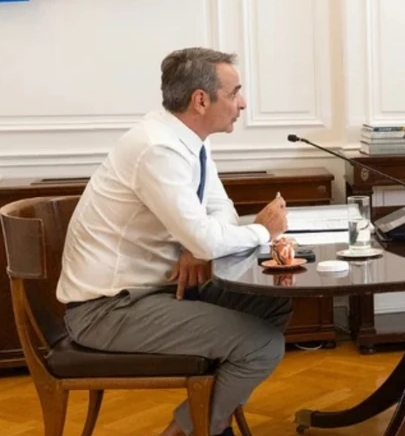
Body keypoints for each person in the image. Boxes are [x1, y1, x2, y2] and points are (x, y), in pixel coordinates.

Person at [56, 47, 291, 436]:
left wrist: (195, 245)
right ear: (201, 100)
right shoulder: (157, 148)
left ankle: (204, 418)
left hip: (154, 293)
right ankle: (190, 429)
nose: (243, 103)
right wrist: (263, 231)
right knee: (262, 344)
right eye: (234, 93)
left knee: (273, 302)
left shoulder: (188, 138)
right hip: (108, 310)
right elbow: (207, 237)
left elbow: (220, 210)